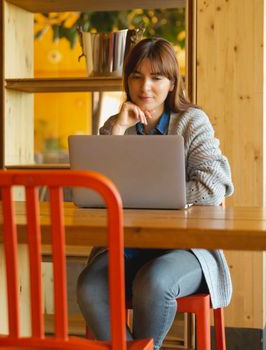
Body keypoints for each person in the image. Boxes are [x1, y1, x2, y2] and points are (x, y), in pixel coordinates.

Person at [76, 37, 234, 349]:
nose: (144, 87)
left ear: (172, 83)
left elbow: (212, 184)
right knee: (89, 286)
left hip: (186, 250)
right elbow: (96, 187)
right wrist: (118, 131)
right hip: (127, 245)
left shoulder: (191, 121)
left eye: (156, 77)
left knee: (153, 281)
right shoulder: (116, 124)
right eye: (136, 76)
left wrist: (155, 200)